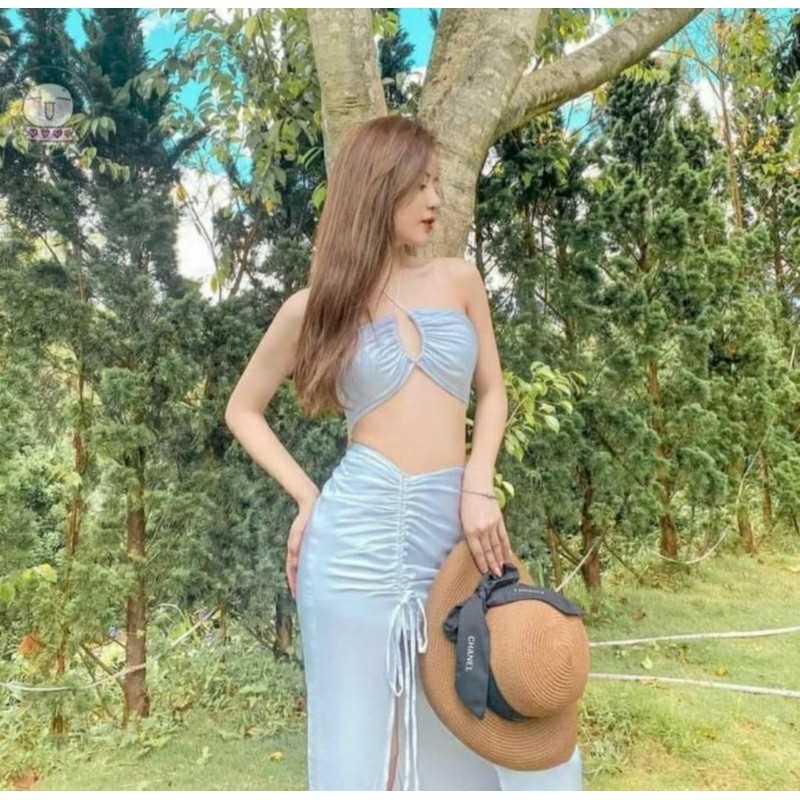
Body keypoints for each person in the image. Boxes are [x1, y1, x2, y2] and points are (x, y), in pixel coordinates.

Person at [224, 114, 584, 791]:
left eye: (437, 184)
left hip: (455, 533)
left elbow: (494, 392)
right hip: (353, 542)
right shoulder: (316, 306)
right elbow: (243, 409)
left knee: (485, 705)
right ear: (376, 188)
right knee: (361, 735)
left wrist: (479, 482)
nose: (435, 200)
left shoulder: (460, 280)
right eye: (418, 185)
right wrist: (308, 497)